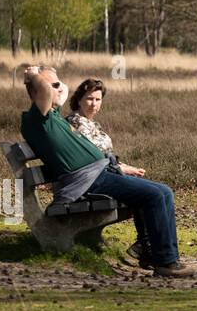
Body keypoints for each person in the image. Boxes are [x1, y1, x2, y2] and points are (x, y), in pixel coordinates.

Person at [20, 65, 197, 277]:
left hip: (99, 174)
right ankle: (166, 262)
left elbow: (61, 91)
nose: (59, 89)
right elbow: (46, 90)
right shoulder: (36, 119)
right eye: (53, 85)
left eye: (58, 84)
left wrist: (52, 77)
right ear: (36, 92)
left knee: (163, 191)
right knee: (155, 195)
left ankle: (157, 256)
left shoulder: (53, 114)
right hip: (87, 182)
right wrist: (32, 76)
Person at [64, 78, 150, 267]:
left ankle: (144, 245)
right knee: (144, 193)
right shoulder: (76, 123)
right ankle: (144, 246)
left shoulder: (92, 123)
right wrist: (122, 169)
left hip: (105, 173)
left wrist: (126, 167)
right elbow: (91, 160)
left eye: (98, 99)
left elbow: (105, 156)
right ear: (79, 99)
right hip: (89, 182)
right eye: (89, 99)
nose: (94, 104)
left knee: (145, 188)